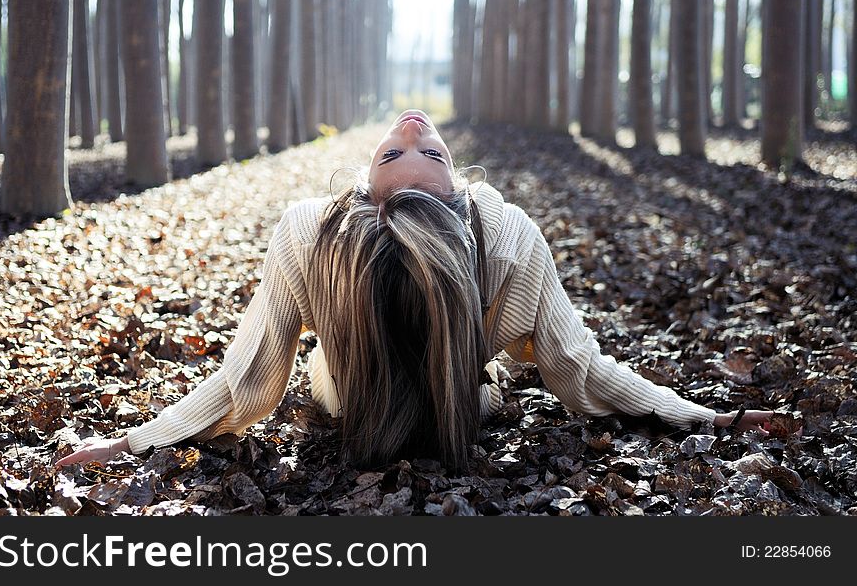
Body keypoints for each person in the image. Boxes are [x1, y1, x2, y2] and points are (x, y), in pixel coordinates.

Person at [56, 109, 772, 471]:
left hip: (348, 402)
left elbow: (248, 382)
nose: (412, 130)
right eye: (411, 151)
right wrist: (703, 418)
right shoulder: (509, 235)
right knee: (487, 379)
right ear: (463, 199)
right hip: (469, 404)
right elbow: (577, 371)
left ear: (365, 197)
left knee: (327, 375)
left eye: (417, 152)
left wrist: (128, 443)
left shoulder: (310, 232)